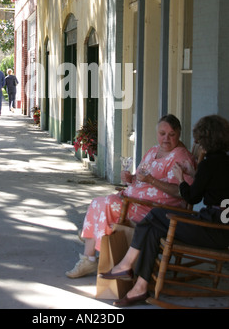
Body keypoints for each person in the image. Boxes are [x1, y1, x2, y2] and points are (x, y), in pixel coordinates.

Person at [100, 114, 229, 307]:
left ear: (206, 140)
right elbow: (212, 186)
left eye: (199, 139)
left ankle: (126, 266)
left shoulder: (209, 164)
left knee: (156, 216)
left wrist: (181, 178)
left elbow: (192, 197)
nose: (196, 142)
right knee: (154, 228)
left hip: (212, 228)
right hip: (220, 227)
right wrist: (195, 175)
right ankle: (140, 287)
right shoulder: (223, 162)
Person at [66, 114, 196, 279]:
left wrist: (151, 180)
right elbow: (141, 176)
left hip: (154, 211)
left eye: (171, 134)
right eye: (162, 133)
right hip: (134, 201)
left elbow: (181, 193)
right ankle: (89, 252)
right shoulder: (154, 150)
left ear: (179, 134)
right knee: (98, 202)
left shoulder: (181, 158)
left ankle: (89, 243)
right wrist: (130, 178)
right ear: (157, 133)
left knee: (104, 204)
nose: (166, 138)